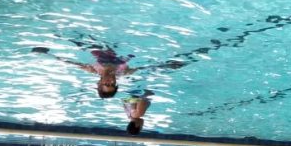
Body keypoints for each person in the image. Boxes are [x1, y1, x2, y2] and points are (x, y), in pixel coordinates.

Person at [32, 46, 184, 97]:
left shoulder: (92, 68)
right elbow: (147, 67)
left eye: (106, 84)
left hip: (102, 51)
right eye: (112, 84)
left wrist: (47, 54)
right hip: (123, 52)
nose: (110, 81)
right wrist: (169, 66)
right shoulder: (124, 72)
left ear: (99, 83)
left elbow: (68, 61)